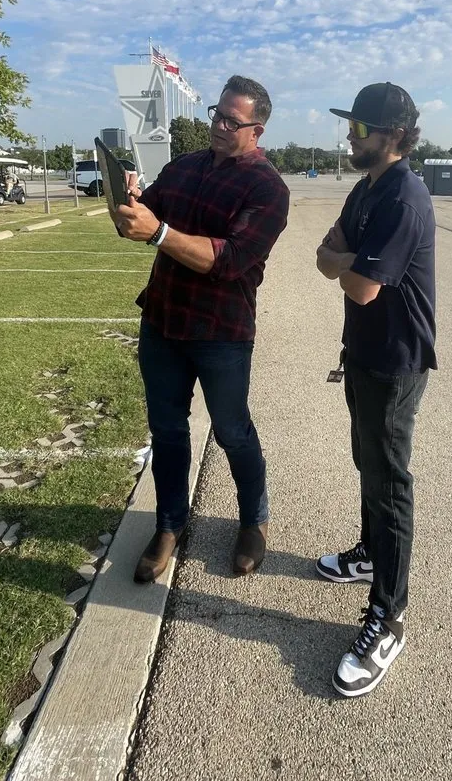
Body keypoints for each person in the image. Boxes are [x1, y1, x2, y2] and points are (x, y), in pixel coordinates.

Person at [111, 75, 289, 583]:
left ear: (257, 131)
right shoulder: (183, 167)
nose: (219, 126)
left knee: (233, 431)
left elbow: (228, 260)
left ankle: (254, 520)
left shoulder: (267, 188)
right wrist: (131, 199)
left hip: (221, 332)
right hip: (163, 320)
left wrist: (158, 232)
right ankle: (169, 524)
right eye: (217, 114)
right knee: (167, 431)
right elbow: (147, 216)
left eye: (232, 121)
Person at [315, 82, 436, 698]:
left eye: (360, 128)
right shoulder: (366, 189)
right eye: (351, 125)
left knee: (388, 483)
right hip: (361, 352)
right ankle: (368, 555)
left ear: (393, 136)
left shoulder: (405, 198)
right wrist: (351, 261)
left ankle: (389, 618)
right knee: (366, 460)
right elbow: (324, 256)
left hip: (394, 362)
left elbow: (361, 287)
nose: (350, 135)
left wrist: (350, 263)